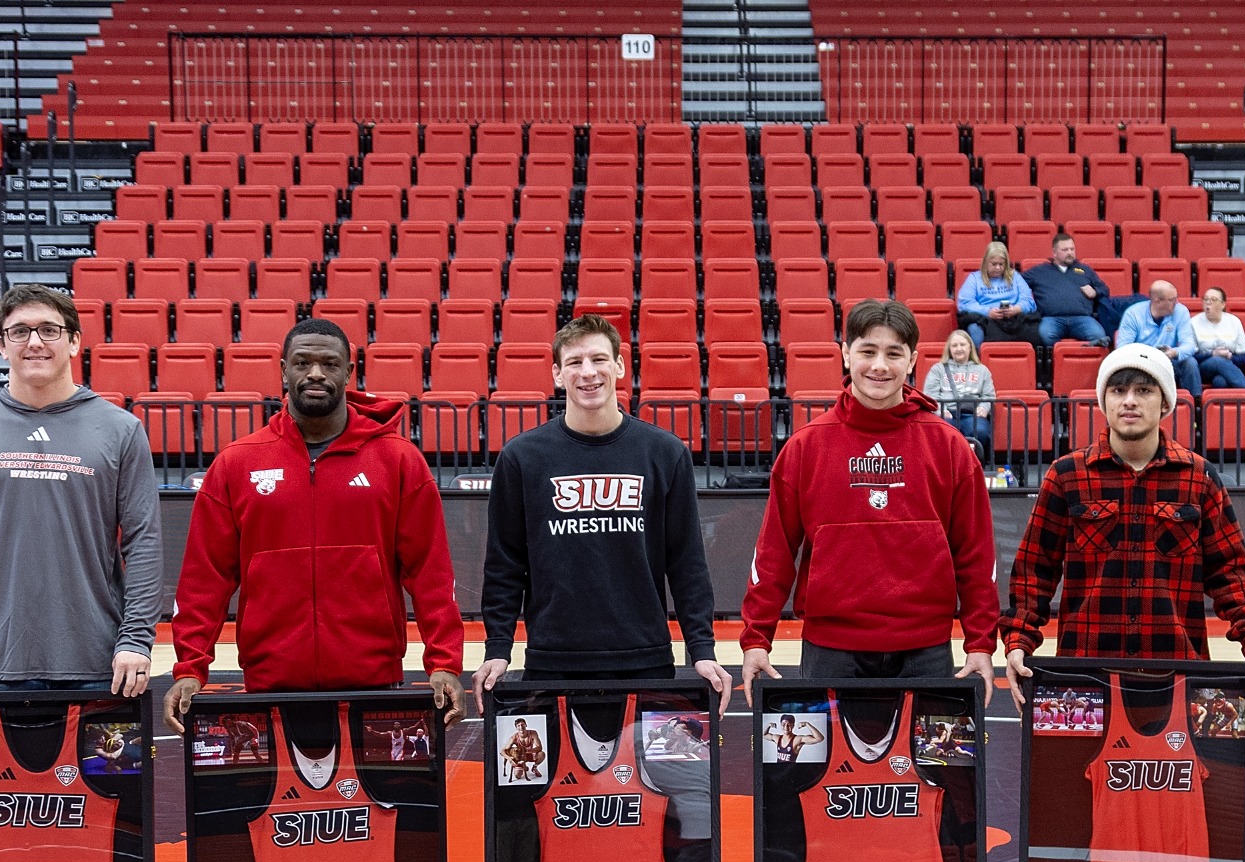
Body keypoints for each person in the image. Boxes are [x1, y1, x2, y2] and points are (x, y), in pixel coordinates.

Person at [1002, 343, 1245, 862]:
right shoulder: (1067, 475)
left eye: (1144, 390)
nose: (1130, 401)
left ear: (1168, 402)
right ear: (1101, 402)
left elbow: (1229, 570)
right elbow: (1035, 569)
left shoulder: (1198, 478)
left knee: (1167, 813)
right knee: (1077, 813)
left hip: (1174, 672)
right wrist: (1018, 639)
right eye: (1118, 390)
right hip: (1086, 677)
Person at [163, 318, 467, 732]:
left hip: (373, 678)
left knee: (375, 800)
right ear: (284, 369)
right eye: (303, 362)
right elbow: (205, 580)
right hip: (270, 681)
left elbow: (430, 572)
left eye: (329, 363)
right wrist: (189, 668)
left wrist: (445, 661)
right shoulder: (237, 462)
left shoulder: (397, 459)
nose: (316, 374)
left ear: (349, 371)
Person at [740, 299, 999, 692]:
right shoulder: (806, 446)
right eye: (867, 351)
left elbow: (976, 553)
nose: (879, 365)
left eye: (893, 354)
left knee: (922, 757)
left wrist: (980, 640)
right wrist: (757, 637)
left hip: (925, 648)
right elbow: (774, 551)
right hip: (831, 648)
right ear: (846, 354)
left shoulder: (948, 445)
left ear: (912, 361)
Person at [473, 315, 731, 710]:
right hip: (552, 661)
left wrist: (702, 649)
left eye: (598, 359)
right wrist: (497, 648)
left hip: (645, 659)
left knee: (650, 776)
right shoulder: (522, 458)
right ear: (558, 374)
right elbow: (505, 565)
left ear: (620, 366)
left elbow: (687, 563)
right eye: (575, 362)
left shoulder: (664, 453)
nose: (588, 372)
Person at [0, 283, 162, 700]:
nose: (34, 342)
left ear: (73, 343)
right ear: (1, 345)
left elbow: (144, 544)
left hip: (99, 661)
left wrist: (135, 640)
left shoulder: (122, 429)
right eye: (20, 331)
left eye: (49, 330)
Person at [1112, 282, 1205, 400]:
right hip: (1142, 362)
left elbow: (1190, 345)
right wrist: (1148, 355)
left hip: (1169, 360)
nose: (1176, 303)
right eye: (1172, 300)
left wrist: (1174, 352)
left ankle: (1195, 405)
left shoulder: (1181, 311)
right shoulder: (1133, 314)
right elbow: (1123, 348)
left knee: (1189, 362)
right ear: (1158, 301)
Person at [1023, 233, 1110, 347]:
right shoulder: (1039, 271)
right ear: (1054, 252)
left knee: (1098, 335)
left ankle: (1080, 359)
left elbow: (1105, 290)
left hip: (1082, 319)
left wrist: (1095, 292)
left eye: (1072, 249)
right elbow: (1017, 283)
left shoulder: (1085, 270)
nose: (1070, 252)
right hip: (1051, 319)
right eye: (1065, 249)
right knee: (1045, 335)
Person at [922, 328, 996, 457]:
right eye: (954, 345)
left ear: (970, 347)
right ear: (949, 349)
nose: (959, 348)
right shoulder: (938, 369)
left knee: (980, 431)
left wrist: (984, 408)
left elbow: (989, 395)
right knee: (942, 431)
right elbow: (930, 394)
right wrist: (940, 410)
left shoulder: (982, 370)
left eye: (962, 345)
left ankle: (973, 464)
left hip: (971, 414)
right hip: (946, 413)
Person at [955, 241, 1038, 347]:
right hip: (986, 319)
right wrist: (988, 311)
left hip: (1013, 318)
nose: (998, 268)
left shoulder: (1015, 276)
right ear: (986, 262)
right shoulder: (974, 278)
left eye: (1001, 264)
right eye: (994, 264)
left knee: (1037, 330)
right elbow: (964, 304)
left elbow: (1029, 301)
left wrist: (1016, 309)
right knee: (975, 329)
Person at [1189, 287, 1245, 391]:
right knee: (1217, 360)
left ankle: (1212, 406)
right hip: (1204, 368)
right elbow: (1191, 356)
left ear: (1223, 304)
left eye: (1213, 300)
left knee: (1220, 382)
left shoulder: (1234, 321)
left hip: (1230, 366)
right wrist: (1212, 354)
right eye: (1205, 299)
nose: (1208, 303)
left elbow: (1244, 357)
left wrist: (1230, 357)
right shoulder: (1193, 322)